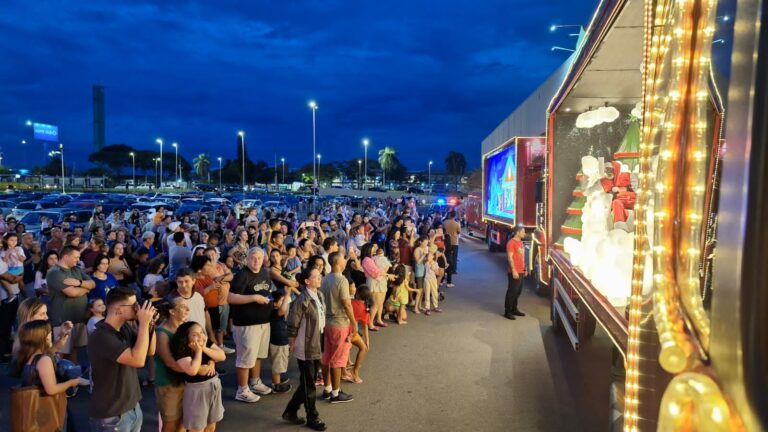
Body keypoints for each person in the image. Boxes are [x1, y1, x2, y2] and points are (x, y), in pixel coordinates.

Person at [88, 287, 157, 432]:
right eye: (133, 305)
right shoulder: (101, 336)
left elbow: (149, 351)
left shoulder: (124, 327)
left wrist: (150, 325)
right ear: (118, 309)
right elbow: (137, 360)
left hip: (131, 407)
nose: (137, 308)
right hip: (112, 415)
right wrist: (143, 324)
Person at [227, 247, 274, 403]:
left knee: (258, 355)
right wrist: (253, 298)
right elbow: (231, 298)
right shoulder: (241, 276)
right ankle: (242, 389)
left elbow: (268, 292)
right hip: (246, 324)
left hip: (263, 321)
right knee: (245, 358)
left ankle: (255, 381)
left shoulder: (264, 273)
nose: (256, 261)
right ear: (247, 259)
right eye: (253, 258)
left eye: (259, 258)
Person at [283, 267, 327, 431]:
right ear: (307, 281)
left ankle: (291, 410)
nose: (319, 278)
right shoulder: (302, 299)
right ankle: (312, 417)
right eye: (316, 276)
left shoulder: (319, 295)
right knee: (309, 384)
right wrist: (292, 341)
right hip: (306, 345)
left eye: (319, 275)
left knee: (307, 381)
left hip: (316, 342)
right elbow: (293, 323)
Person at [13, 320, 80, 425]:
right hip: (45, 409)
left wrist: (62, 335)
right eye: (49, 333)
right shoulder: (44, 360)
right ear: (42, 338)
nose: (51, 335)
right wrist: (72, 382)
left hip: (34, 408)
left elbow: (54, 349)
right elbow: (52, 389)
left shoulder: (30, 356)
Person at [172, 321, 226, 432]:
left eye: (201, 332)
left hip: (213, 385)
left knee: (211, 425)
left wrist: (203, 348)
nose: (201, 336)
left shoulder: (204, 342)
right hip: (196, 390)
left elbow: (222, 356)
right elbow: (193, 370)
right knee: (196, 428)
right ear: (186, 337)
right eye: (195, 334)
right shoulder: (181, 349)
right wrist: (198, 352)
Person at [46, 245, 95, 364]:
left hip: (79, 318)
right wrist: (86, 288)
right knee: (61, 352)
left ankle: (71, 376)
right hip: (63, 320)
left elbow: (93, 283)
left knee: (74, 349)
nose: (78, 260)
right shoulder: (55, 273)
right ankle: (51, 377)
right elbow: (72, 293)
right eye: (75, 257)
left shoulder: (76, 269)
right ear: (66, 257)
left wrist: (78, 282)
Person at [320, 251, 356, 403]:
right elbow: (346, 303)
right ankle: (335, 393)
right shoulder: (341, 280)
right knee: (337, 359)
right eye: (342, 258)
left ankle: (328, 389)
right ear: (336, 262)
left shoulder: (324, 279)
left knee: (327, 356)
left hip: (327, 322)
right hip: (339, 322)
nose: (344, 260)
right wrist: (354, 322)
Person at [154, 297, 190, 432]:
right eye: (183, 307)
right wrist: (196, 371)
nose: (187, 310)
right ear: (172, 311)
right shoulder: (162, 333)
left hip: (183, 381)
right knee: (170, 425)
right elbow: (170, 363)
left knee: (182, 422)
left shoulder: (183, 327)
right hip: (168, 384)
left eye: (187, 306)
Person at [268, 288, 292, 393]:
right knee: (277, 364)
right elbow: (282, 310)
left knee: (280, 362)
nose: (284, 303)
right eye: (281, 301)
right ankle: (276, 385)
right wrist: (287, 295)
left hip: (281, 340)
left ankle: (277, 379)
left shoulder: (276, 312)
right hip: (278, 342)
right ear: (274, 304)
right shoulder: (275, 312)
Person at [504, 225, 527, 320]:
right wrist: (513, 270)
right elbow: (510, 258)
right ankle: (507, 311)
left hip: (521, 270)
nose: (524, 234)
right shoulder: (511, 243)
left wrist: (524, 269)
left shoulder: (520, 242)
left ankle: (514, 309)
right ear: (517, 232)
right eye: (523, 232)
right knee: (512, 292)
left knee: (518, 292)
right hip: (514, 271)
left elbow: (522, 257)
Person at [443, 211, 461, 287]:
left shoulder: (445, 222)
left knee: (446, 255)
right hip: (454, 242)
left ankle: (446, 269)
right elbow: (458, 232)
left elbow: (443, 230)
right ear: (455, 216)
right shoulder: (457, 224)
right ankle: (453, 270)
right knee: (454, 257)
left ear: (449, 215)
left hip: (446, 242)